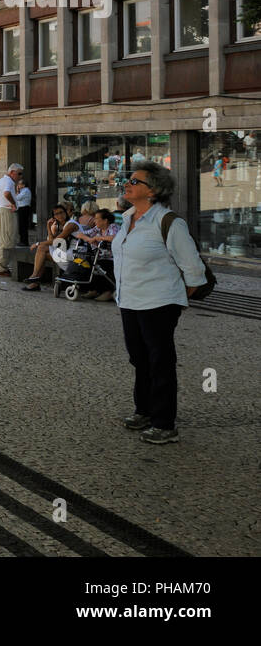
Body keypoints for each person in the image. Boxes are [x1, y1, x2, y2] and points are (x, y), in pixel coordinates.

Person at [111, 162, 207, 445]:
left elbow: (194, 271)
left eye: (135, 182)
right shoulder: (127, 217)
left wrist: (171, 300)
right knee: (139, 359)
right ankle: (144, 410)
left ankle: (164, 423)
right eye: (128, 180)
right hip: (129, 301)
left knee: (160, 362)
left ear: (153, 191)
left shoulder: (169, 222)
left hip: (158, 304)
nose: (127, 184)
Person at [21, 204, 79, 291]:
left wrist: (37, 243)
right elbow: (52, 242)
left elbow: (55, 241)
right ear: (54, 217)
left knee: (41, 249)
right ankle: (34, 280)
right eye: (56, 214)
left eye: (61, 212)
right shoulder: (60, 225)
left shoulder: (71, 225)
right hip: (68, 252)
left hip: (77, 254)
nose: (59, 215)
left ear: (66, 213)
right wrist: (48, 226)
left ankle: (34, 277)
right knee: (42, 253)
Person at [0, 163, 24, 276]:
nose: (20, 176)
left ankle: (2, 266)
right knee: (7, 240)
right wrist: (12, 203)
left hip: (4, 210)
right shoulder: (8, 181)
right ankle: (1, 268)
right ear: (12, 172)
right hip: (7, 212)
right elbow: (6, 193)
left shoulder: (3, 180)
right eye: (19, 173)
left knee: (7, 238)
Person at [15, 177, 34, 246]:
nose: (18, 185)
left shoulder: (25, 190)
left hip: (24, 209)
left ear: (23, 185)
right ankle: (22, 240)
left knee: (23, 226)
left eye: (19, 184)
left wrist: (17, 191)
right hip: (21, 209)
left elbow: (17, 198)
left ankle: (24, 242)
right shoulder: (23, 191)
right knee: (21, 226)